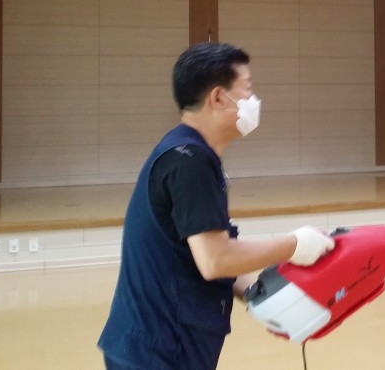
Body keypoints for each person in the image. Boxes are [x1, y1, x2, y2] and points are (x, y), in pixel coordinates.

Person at [98, 42, 334, 369]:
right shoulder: (189, 162)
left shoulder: (187, 152)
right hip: (160, 350)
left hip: (159, 344)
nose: (253, 100)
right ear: (219, 98)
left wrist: (258, 294)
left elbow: (199, 252)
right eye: (247, 89)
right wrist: (296, 245)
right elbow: (215, 260)